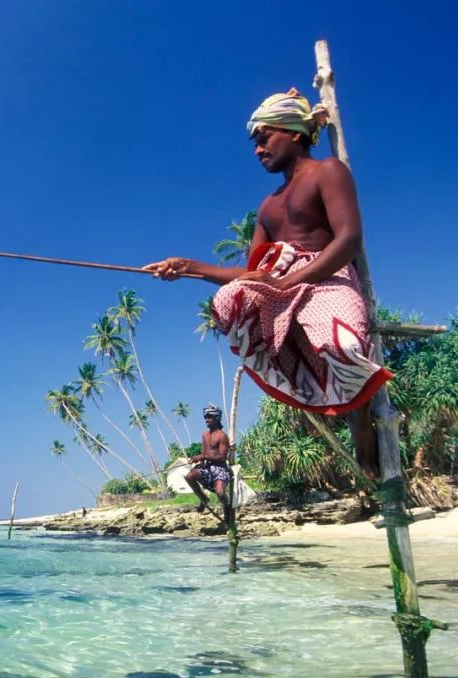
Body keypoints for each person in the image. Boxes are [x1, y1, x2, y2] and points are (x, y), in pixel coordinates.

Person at [143, 88, 390, 476]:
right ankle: (304, 372)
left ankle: (363, 432)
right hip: (280, 285)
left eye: (265, 138)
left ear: (294, 132)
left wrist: (290, 281)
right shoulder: (268, 206)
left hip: (327, 276)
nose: (258, 150)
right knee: (229, 299)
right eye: (255, 143)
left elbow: (349, 241)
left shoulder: (329, 171)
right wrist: (187, 266)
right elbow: (252, 274)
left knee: (339, 345)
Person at [184, 404, 231, 512]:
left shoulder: (222, 436)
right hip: (207, 467)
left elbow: (222, 457)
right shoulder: (205, 435)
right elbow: (204, 454)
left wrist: (203, 456)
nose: (206, 419)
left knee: (220, 493)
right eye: (205, 417)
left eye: (209, 417)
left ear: (217, 418)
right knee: (189, 476)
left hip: (220, 468)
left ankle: (227, 507)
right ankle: (204, 498)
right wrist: (198, 458)